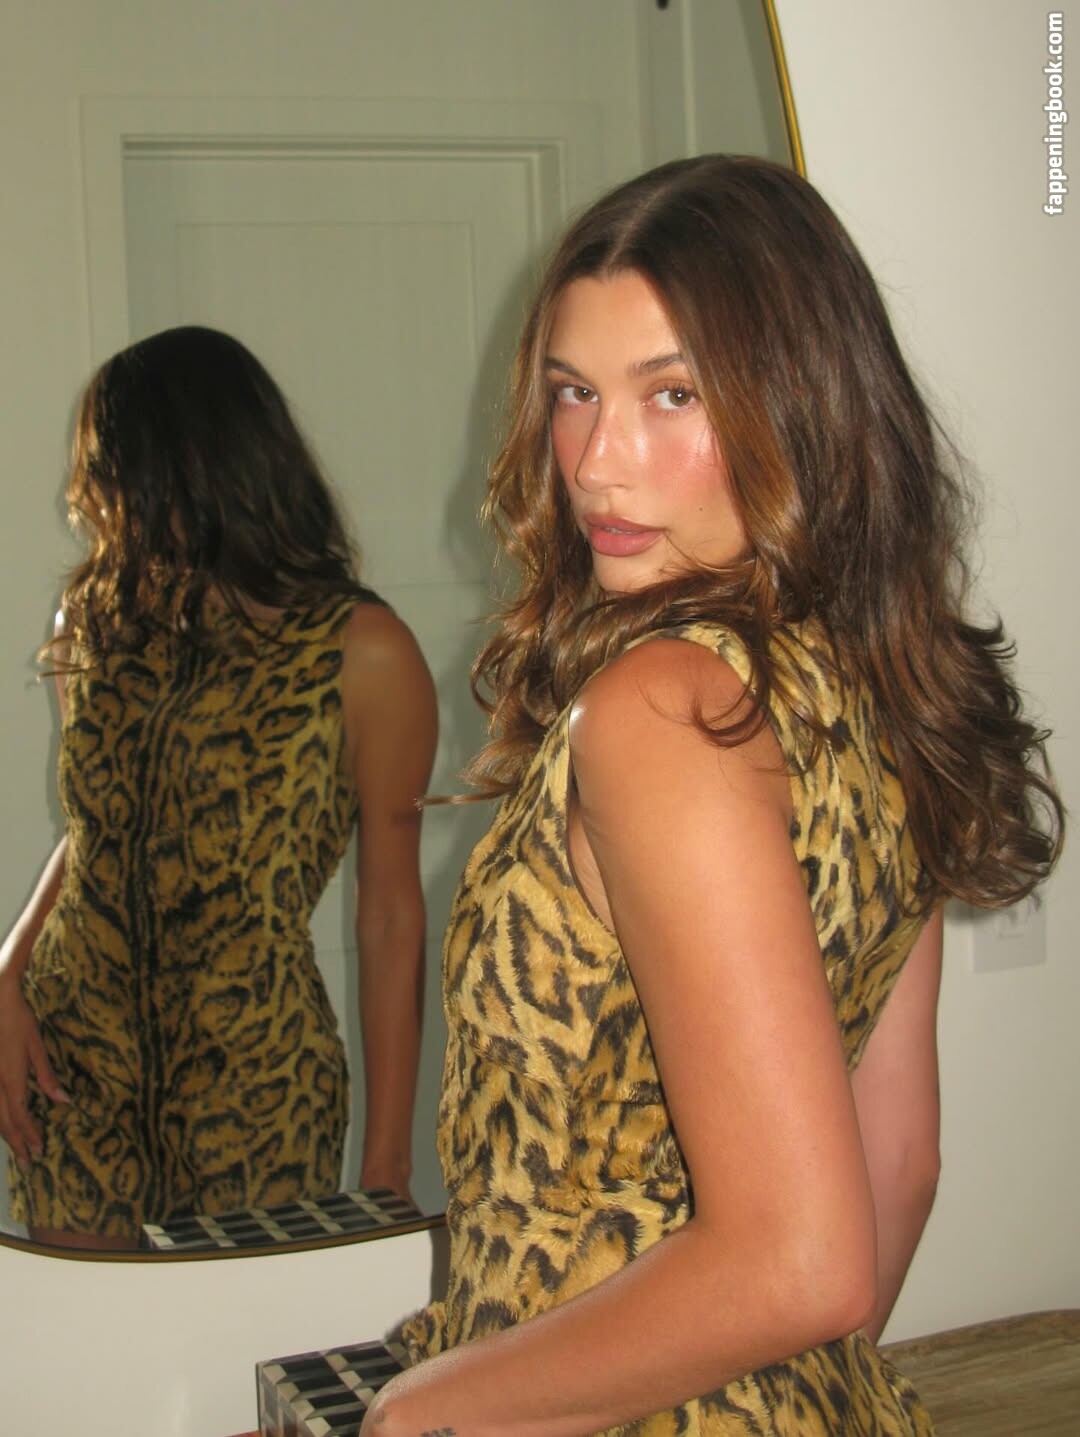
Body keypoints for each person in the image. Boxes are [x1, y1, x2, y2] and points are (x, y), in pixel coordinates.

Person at [359, 156, 1064, 1435]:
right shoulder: (883, 686)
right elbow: (898, 1165)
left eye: (671, 394)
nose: (597, 462)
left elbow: (803, 1260)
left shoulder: (665, 709)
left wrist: (419, 1414)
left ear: (802, 405)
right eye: (574, 393)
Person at [0, 326, 438, 1249]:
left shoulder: (363, 652)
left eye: (115, 469)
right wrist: (6, 971)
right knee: (87, 1331)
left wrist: (388, 1162)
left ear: (192, 464)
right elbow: (98, 825)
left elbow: (391, 913)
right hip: (74, 1069)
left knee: (235, 1337)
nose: (98, 498)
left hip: (254, 1086)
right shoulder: (96, 618)